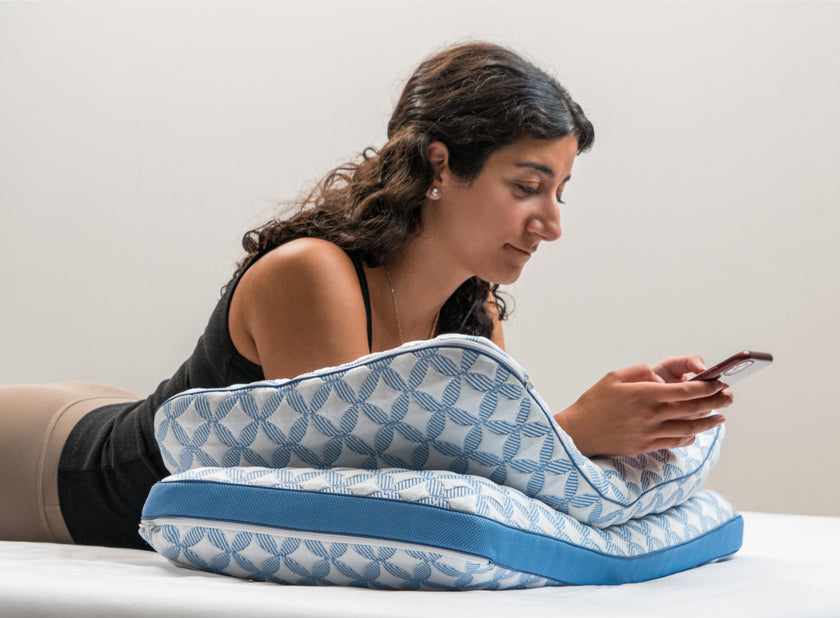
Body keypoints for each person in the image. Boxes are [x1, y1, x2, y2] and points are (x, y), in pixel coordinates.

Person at [0, 41, 733, 550]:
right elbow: (356, 499)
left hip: (114, 410)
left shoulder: (472, 314)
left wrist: (622, 425)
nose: (551, 223)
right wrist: (574, 429)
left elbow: (482, 482)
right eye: (526, 187)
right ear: (440, 165)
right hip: (49, 468)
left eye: (560, 193)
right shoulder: (312, 276)